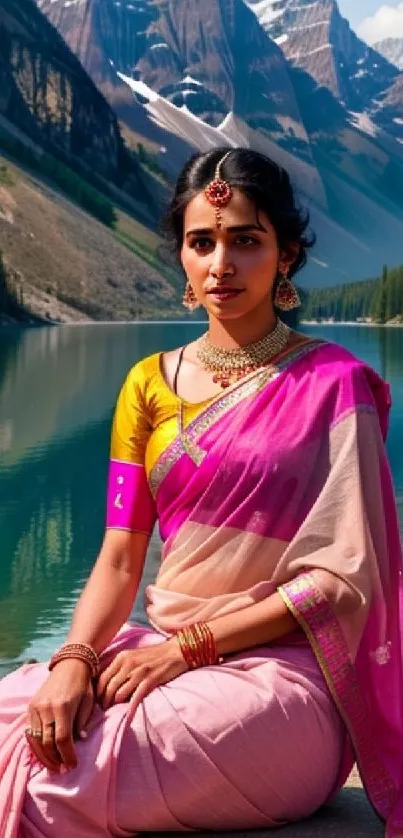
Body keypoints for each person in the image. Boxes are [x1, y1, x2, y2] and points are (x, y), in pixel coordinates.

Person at [0, 146, 402, 838]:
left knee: (64, 771)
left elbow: (339, 582)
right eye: (202, 242)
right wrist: (74, 659)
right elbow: (122, 557)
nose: (222, 264)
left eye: (246, 241)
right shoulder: (146, 386)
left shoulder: (334, 386)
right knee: (25, 720)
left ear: (286, 257)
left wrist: (189, 649)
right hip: (153, 652)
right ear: (182, 262)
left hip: (283, 686)